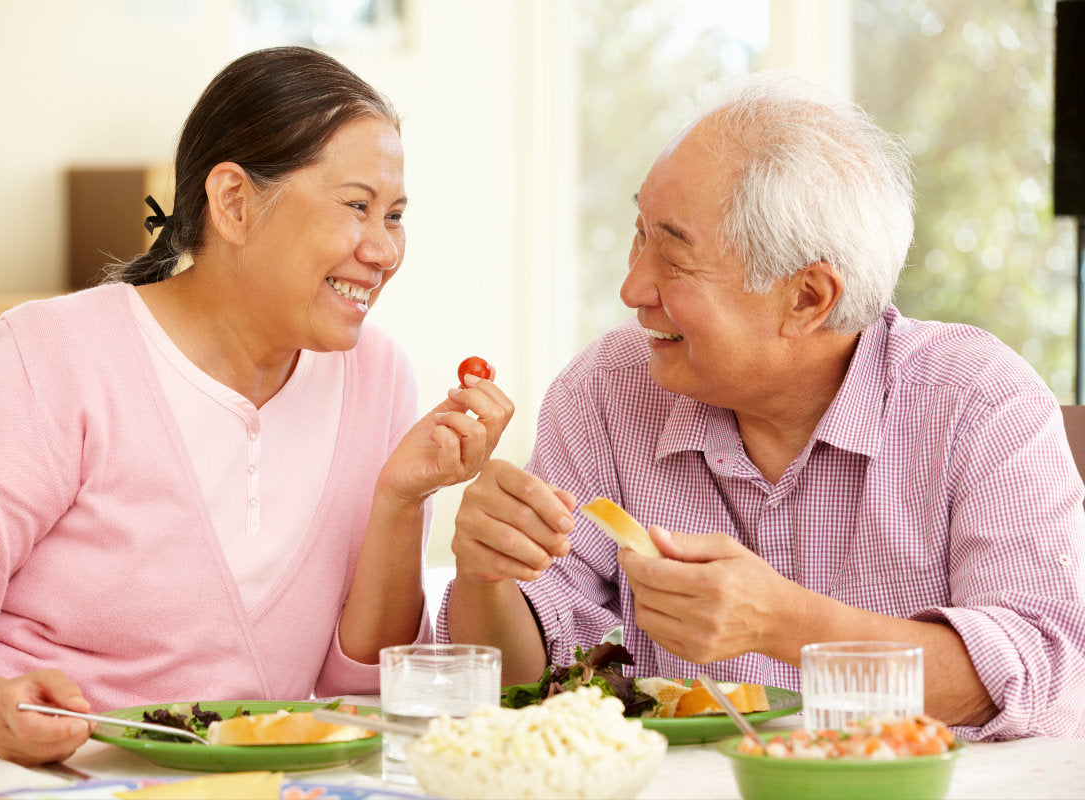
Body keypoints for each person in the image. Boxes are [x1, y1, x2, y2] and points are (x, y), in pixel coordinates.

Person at [0, 47, 513, 764]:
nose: (385, 250)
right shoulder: (54, 353)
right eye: (356, 207)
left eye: (395, 215)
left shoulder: (379, 376)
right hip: (25, 777)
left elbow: (351, 687)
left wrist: (401, 502)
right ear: (235, 203)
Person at [441, 70, 1085, 741]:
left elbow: (1044, 674)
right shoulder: (604, 393)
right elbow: (523, 685)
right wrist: (486, 575)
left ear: (808, 298)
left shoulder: (979, 403)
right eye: (640, 234)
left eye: (674, 256)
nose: (633, 288)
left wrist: (785, 626)